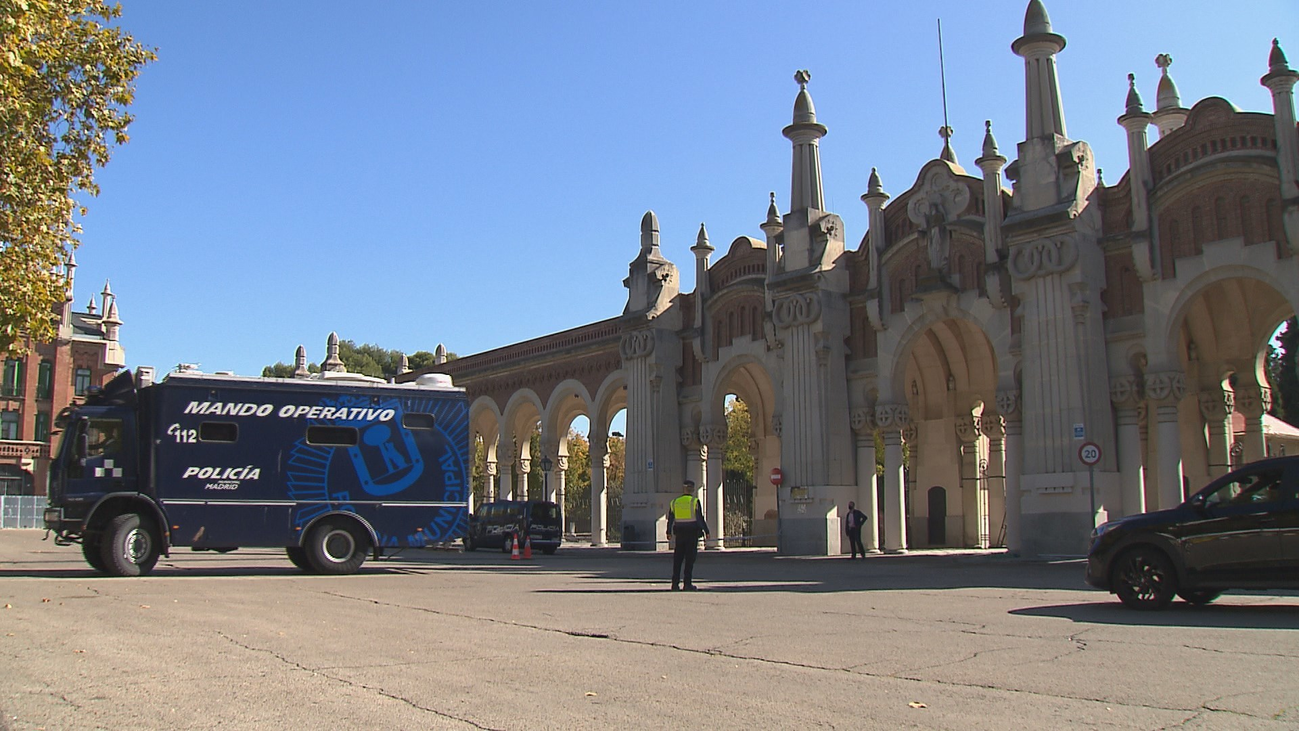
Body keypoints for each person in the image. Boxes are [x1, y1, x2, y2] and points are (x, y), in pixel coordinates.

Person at [667, 479, 709, 591]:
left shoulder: (675, 502)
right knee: (689, 560)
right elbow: (699, 518)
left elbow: (670, 519)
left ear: (683, 488)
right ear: (693, 489)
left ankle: (675, 584)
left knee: (678, 559)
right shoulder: (694, 502)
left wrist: (668, 532)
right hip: (691, 533)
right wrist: (706, 531)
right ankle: (687, 583)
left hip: (679, 533)